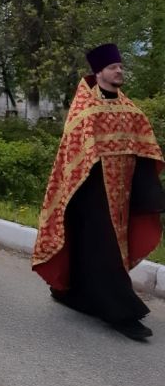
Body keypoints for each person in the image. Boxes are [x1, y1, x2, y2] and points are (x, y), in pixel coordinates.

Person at [33, 44, 165, 341]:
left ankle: (74, 293)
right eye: (113, 67)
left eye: (121, 66)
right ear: (99, 72)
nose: (119, 71)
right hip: (89, 192)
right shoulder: (84, 108)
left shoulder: (130, 108)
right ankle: (122, 312)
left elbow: (146, 145)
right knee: (103, 250)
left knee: (98, 249)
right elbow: (74, 153)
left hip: (122, 195)